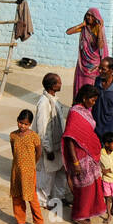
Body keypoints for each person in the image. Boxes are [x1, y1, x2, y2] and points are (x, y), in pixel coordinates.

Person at [62, 85, 107, 224]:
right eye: (92, 100)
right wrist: (75, 162)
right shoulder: (75, 113)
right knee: (83, 186)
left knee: (93, 185)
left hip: (90, 155)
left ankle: (89, 211)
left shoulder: (85, 111)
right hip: (79, 155)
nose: (93, 103)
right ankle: (78, 215)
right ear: (84, 98)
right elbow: (69, 138)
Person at [34, 72, 68, 207]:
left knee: (60, 172)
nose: (61, 84)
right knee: (47, 175)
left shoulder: (53, 100)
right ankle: (43, 201)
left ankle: (59, 197)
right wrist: (47, 149)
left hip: (58, 144)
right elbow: (43, 129)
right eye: (58, 82)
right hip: (50, 147)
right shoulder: (44, 103)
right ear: (52, 86)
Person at [9, 109, 45, 224]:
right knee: (17, 196)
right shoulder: (13, 135)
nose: (22, 126)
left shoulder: (34, 136)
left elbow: (39, 151)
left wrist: (33, 163)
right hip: (16, 171)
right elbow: (14, 151)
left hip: (29, 171)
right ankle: (21, 222)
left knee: (31, 196)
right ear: (17, 120)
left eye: (26, 124)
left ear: (30, 124)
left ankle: (39, 222)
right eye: (20, 122)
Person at [67, 8, 108, 98]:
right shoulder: (84, 28)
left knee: (91, 87)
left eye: (91, 16)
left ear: (95, 18)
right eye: (87, 15)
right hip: (83, 63)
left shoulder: (98, 28)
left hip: (94, 64)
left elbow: (100, 46)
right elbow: (68, 32)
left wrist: (100, 29)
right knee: (81, 85)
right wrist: (81, 25)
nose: (89, 18)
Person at [93, 56, 113, 144]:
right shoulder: (97, 82)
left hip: (110, 133)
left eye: (103, 69)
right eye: (99, 68)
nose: (99, 71)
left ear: (111, 70)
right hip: (96, 130)